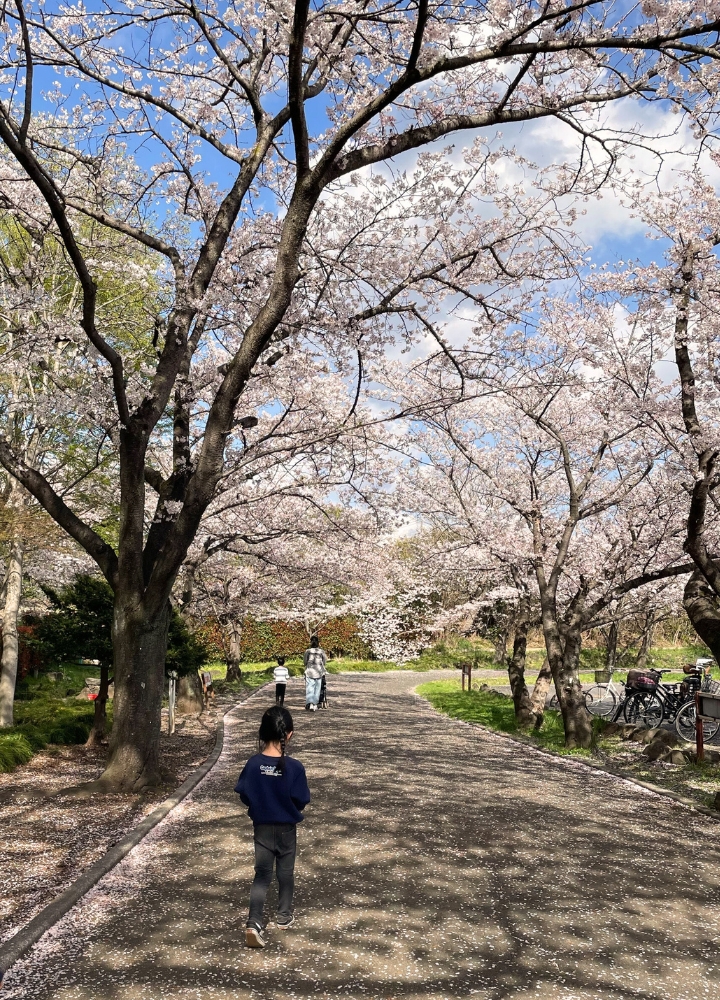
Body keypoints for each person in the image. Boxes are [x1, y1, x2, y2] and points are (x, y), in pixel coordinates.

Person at [235, 706, 311, 948]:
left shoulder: (253, 764)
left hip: (262, 828)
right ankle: (283, 916)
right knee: (285, 873)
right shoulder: (295, 767)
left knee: (262, 874)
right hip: (287, 828)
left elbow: (244, 793)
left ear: (262, 732)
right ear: (289, 734)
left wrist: (259, 805)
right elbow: (302, 799)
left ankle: (254, 921)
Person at [303, 635, 327, 711]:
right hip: (319, 672)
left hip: (309, 671)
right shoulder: (321, 651)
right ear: (318, 642)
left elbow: (305, 662)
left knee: (309, 688)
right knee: (317, 689)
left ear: (310, 642)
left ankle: (310, 703)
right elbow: (324, 662)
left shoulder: (308, 651)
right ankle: (315, 704)